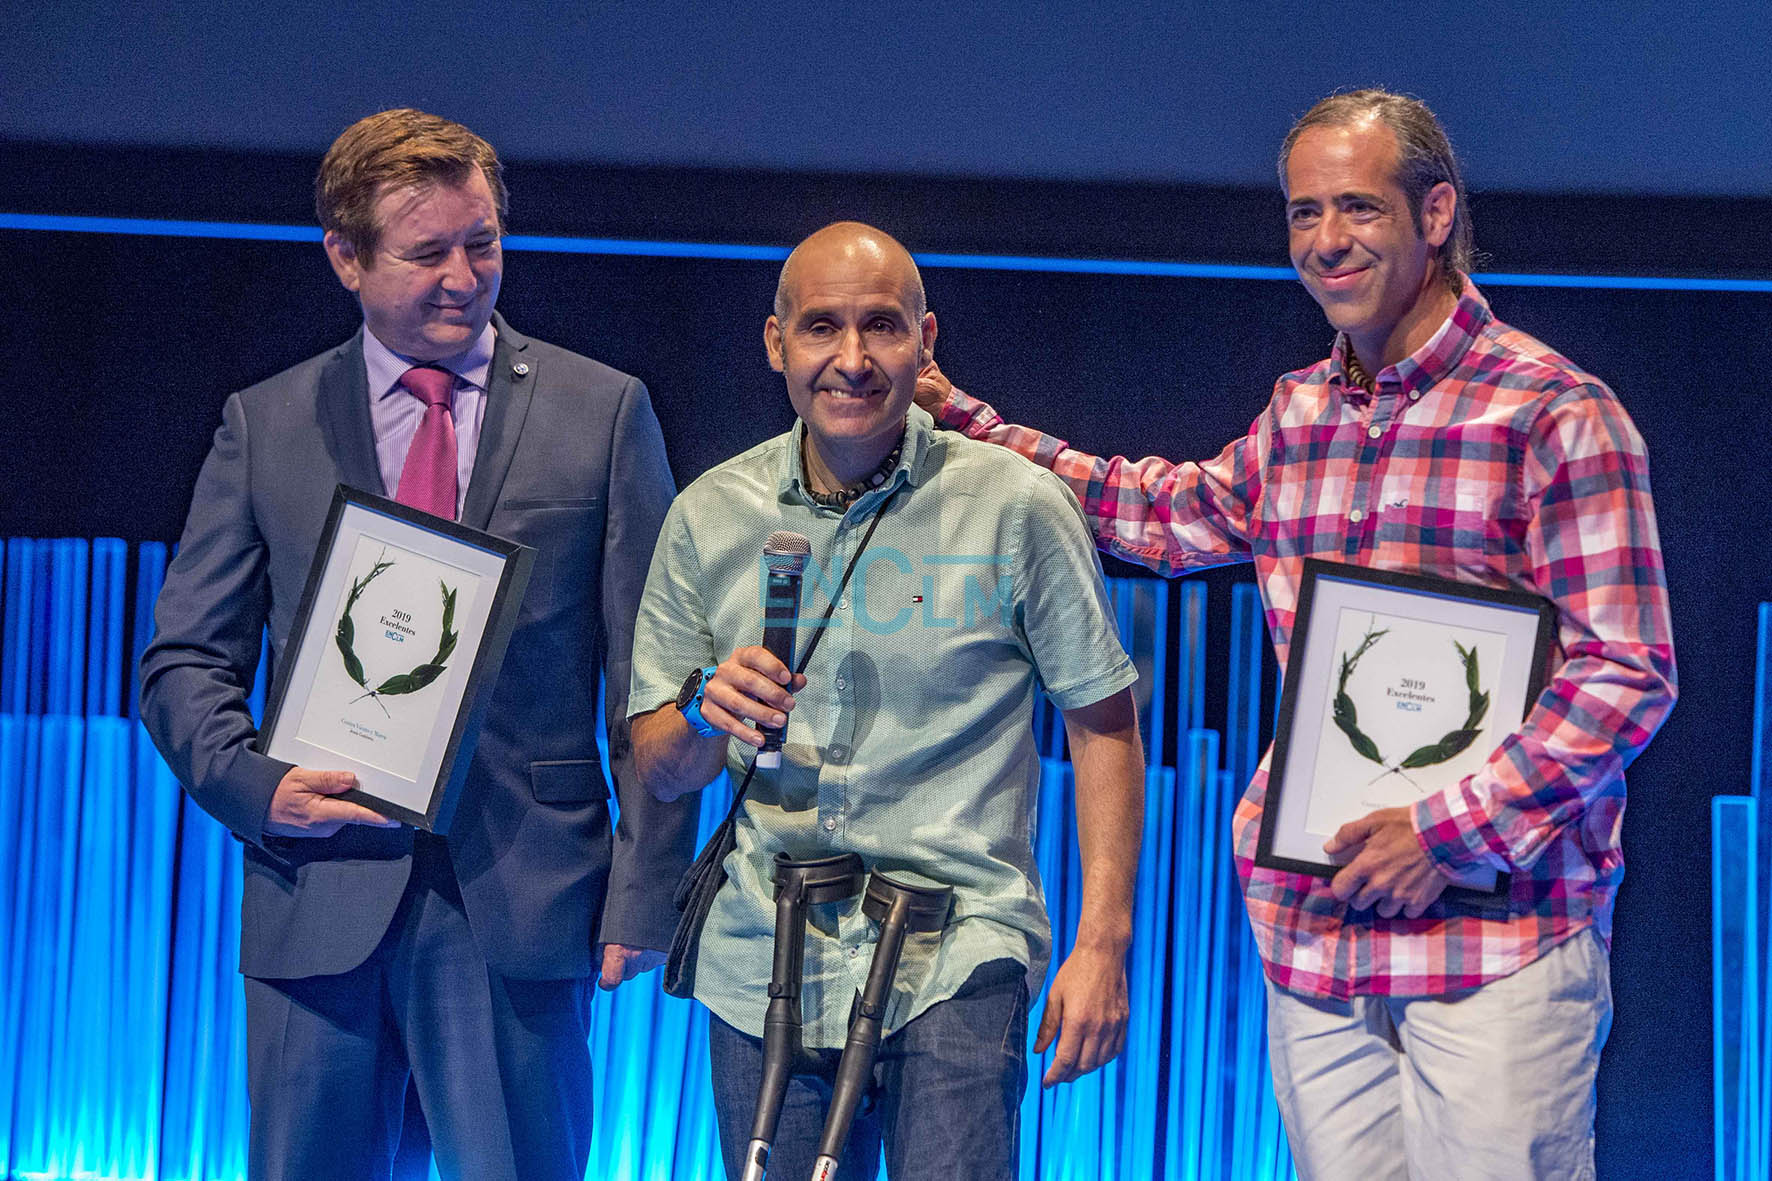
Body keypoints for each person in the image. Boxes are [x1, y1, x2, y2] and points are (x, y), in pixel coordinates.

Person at [915, 90, 1676, 1179]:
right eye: (1302, 213)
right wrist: (972, 432)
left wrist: (1444, 831)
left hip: (1496, 940)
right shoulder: (1298, 413)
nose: (1324, 241)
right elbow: (1165, 513)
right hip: (1316, 934)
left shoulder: (1550, 411)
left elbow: (1623, 671)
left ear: (1434, 212)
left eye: (1356, 208)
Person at [138, 108, 698, 1181]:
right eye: (426, 251)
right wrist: (257, 786)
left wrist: (644, 887)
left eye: (480, 243)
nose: (463, 275)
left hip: (521, 893)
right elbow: (183, 661)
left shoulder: (602, 411)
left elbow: (650, 674)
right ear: (344, 257)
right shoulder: (267, 422)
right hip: (318, 886)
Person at [626, 221, 1145, 1180]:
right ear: (777, 343)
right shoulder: (709, 513)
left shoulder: (1017, 505)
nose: (853, 359)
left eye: (883, 327)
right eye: (822, 327)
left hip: (957, 947)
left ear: (927, 340)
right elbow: (658, 767)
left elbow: (1103, 720)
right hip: (763, 957)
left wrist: (1103, 942)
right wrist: (706, 708)